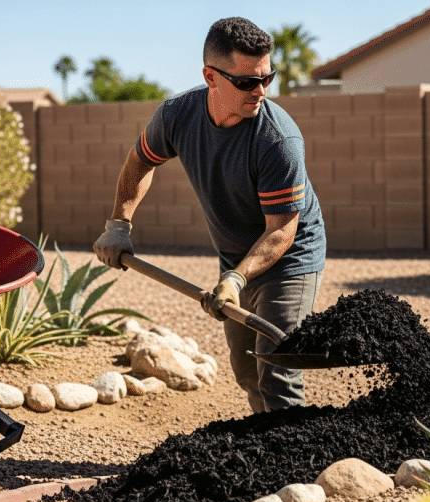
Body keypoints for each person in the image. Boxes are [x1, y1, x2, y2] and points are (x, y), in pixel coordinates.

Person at [93, 16, 326, 413]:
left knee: (277, 369)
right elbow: (139, 163)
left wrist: (235, 278)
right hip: (237, 256)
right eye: (248, 82)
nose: (261, 91)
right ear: (211, 77)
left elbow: (282, 230)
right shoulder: (177, 116)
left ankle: (299, 467)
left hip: (290, 257)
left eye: (268, 79)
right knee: (247, 370)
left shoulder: (277, 141)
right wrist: (119, 224)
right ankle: (269, 444)